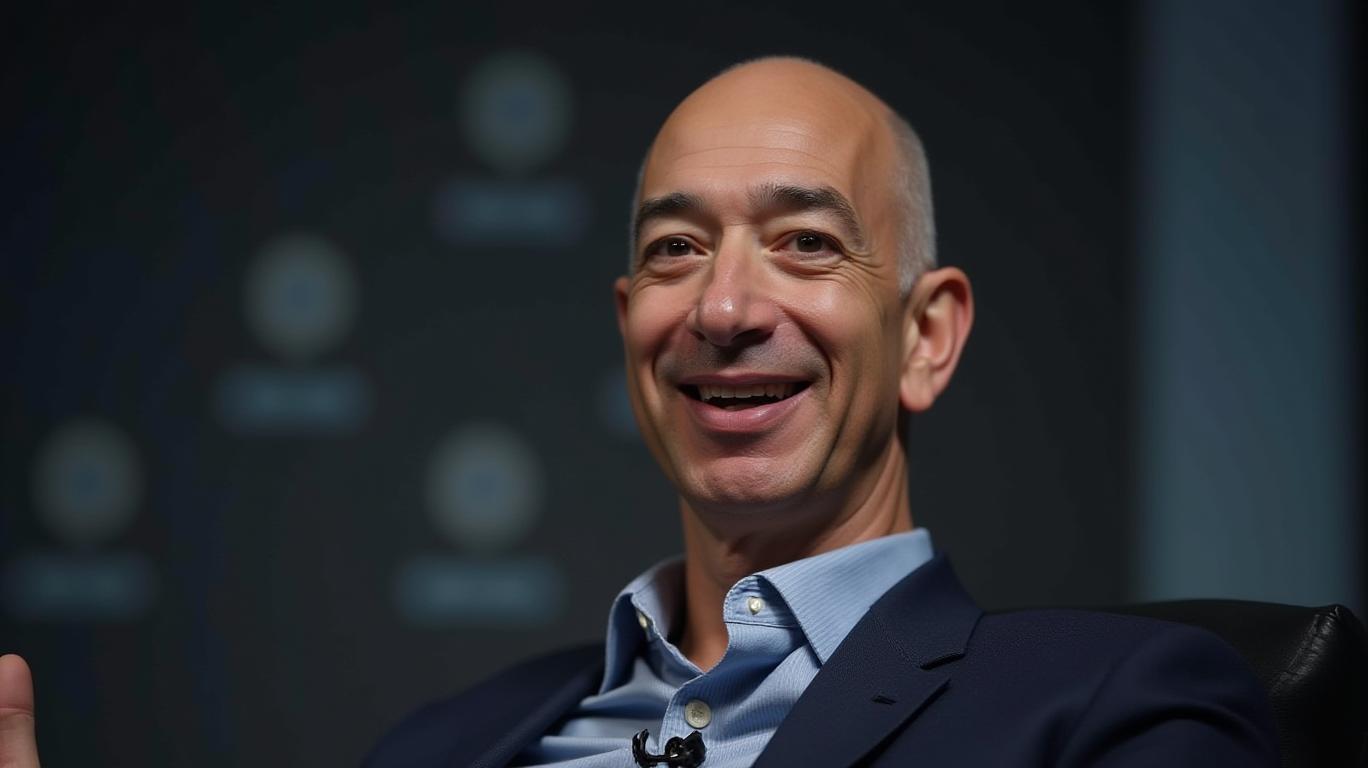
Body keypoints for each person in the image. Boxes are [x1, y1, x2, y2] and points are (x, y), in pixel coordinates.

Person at [0, 57, 1277, 768]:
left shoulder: (1115, 712)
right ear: (630, 331)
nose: (722, 306)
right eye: (676, 251)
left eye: (804, 241)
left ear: (927, 336)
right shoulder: (438, 747)